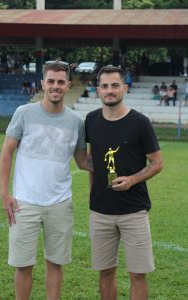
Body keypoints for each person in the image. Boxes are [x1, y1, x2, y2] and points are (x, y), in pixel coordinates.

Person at [0, 61, 92, 300]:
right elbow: (7, 152)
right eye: (50, 81)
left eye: (61, 82)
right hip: (24, 202)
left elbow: (83, 161)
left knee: (55, 263)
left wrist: (117, 163)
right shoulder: (24, 113)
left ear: (68, 85)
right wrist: (5, 193)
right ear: (42, 84)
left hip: (60, 203)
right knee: (23, 265)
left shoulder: (76, 122)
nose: (55, 86)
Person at [85, 65, 163, 300]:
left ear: (125, 88)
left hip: (134, 211)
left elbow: (157, 162)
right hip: (100, 212)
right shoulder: (91, 120)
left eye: (115, 85)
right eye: (105, 86)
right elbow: (91, 162)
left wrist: (133, 179)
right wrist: (93, 195)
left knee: (138, 274)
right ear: (98, 90)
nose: (110, 91)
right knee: (106, 272)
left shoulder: (140, 122)